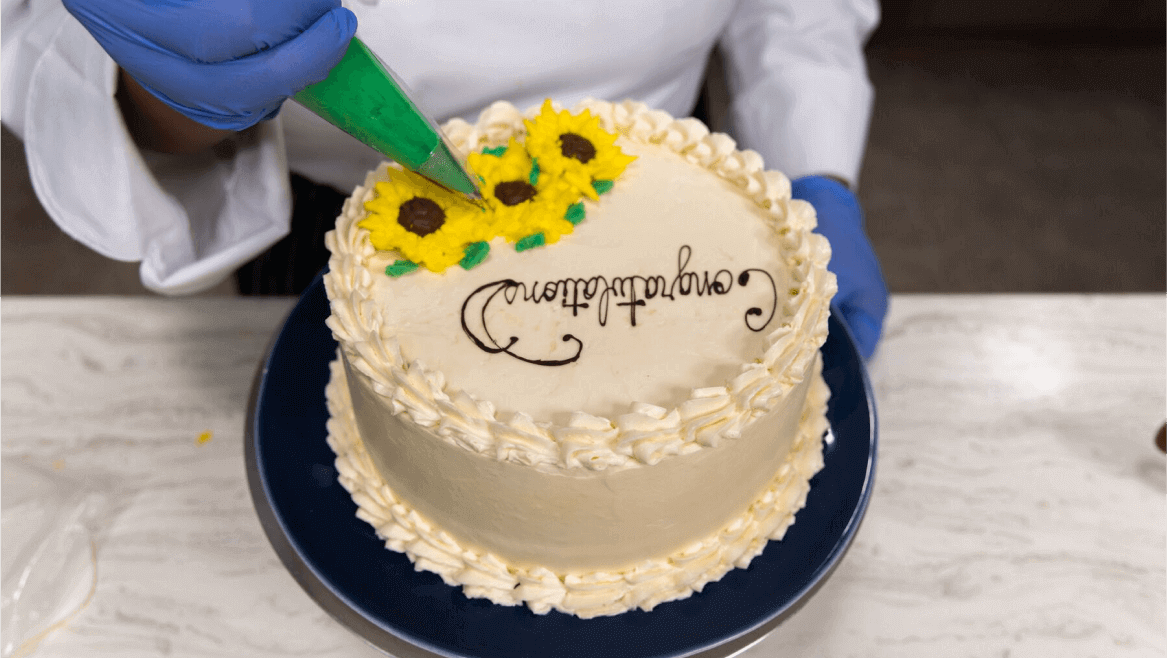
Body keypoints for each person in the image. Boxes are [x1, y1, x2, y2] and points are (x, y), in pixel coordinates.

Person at [1, 0, 888, 358]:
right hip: (336, 209)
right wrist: (182, 84)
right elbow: (73, 44)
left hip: (667, 193)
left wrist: (813, 162)